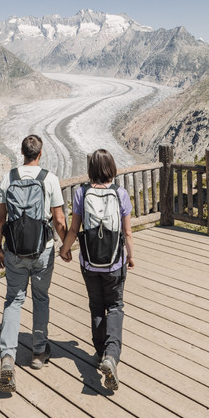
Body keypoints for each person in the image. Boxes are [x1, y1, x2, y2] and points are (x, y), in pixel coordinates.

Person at [0, 134, 67, 392]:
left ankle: (7, 358)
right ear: (40, 152)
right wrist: (66, 245)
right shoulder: (50, 179)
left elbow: (0, 218)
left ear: (22, 152)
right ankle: (38, 352)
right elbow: (58, 219)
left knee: (13, 301)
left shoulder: (8, 178)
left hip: (13, 252)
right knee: (41, 298)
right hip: (42, 252)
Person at [59, 149, 134, 392]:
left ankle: (100, 352)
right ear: (111, 168)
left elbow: (73, 229)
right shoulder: (120, 194)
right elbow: (128, 232)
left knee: (96, 305)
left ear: (91, 169)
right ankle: (112, 355)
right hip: (115, 263)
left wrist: (65, 249)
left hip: (89, 262)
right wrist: (130, 256)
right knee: (115, 305)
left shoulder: (81, 193)